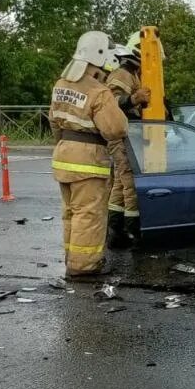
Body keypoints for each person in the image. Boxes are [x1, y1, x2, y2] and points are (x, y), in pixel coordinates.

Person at [49, 31, 128, 279]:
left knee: (71, 213)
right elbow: (116, 129)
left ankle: (73, 259)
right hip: (88, 161)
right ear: (100, 56)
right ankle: (84, 267)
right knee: (89, 214)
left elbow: (54, 122)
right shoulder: (98, 91)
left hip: (63, 156)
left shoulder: (61, 85)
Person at [105, 41, 152, 249]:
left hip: (129, 135)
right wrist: (134, 99)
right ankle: (133, 232)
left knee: (121, 183)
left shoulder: (133, 75)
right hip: (123, 135)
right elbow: (110, 103)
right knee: (130, 182)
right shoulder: (122, 74)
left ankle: (116, 231)